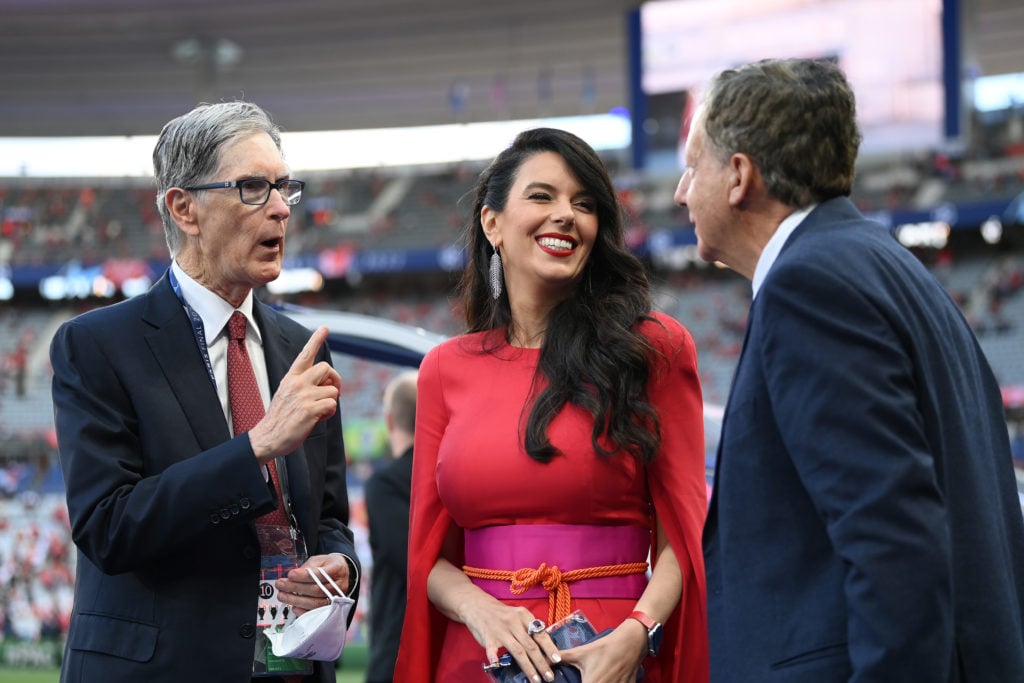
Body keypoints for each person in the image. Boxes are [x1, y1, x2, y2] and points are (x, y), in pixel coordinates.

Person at [679, 58, 1024, 681]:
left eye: (691, 165)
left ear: (738, 176)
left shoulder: (807, 287)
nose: (680, 191)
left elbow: (892, 535)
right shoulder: (885, 266)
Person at [50, 101, 360, 683]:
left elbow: (328, 516)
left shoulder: (304, 346)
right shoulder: (96, 345)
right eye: (251, 187)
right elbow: (107, 528)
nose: (279, 209)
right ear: (184, 208)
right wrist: (257, 446)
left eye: (282, 188)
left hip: (292, 668)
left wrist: (341, 565)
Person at [394, 127, 709, 682]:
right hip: (477, 658)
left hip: (611, 657)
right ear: (491, 223)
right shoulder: (444, 370)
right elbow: (428, 557)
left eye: (584, 203)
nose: (566, 214)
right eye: (542, 196)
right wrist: (480, 610)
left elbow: (684, 530)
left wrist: (638, 632)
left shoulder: (655, 348)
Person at [363, 370, 418, 683]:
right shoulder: (450, 480)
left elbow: (408, 562)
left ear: (389, 421)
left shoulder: (385, 483)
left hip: (397, 645)